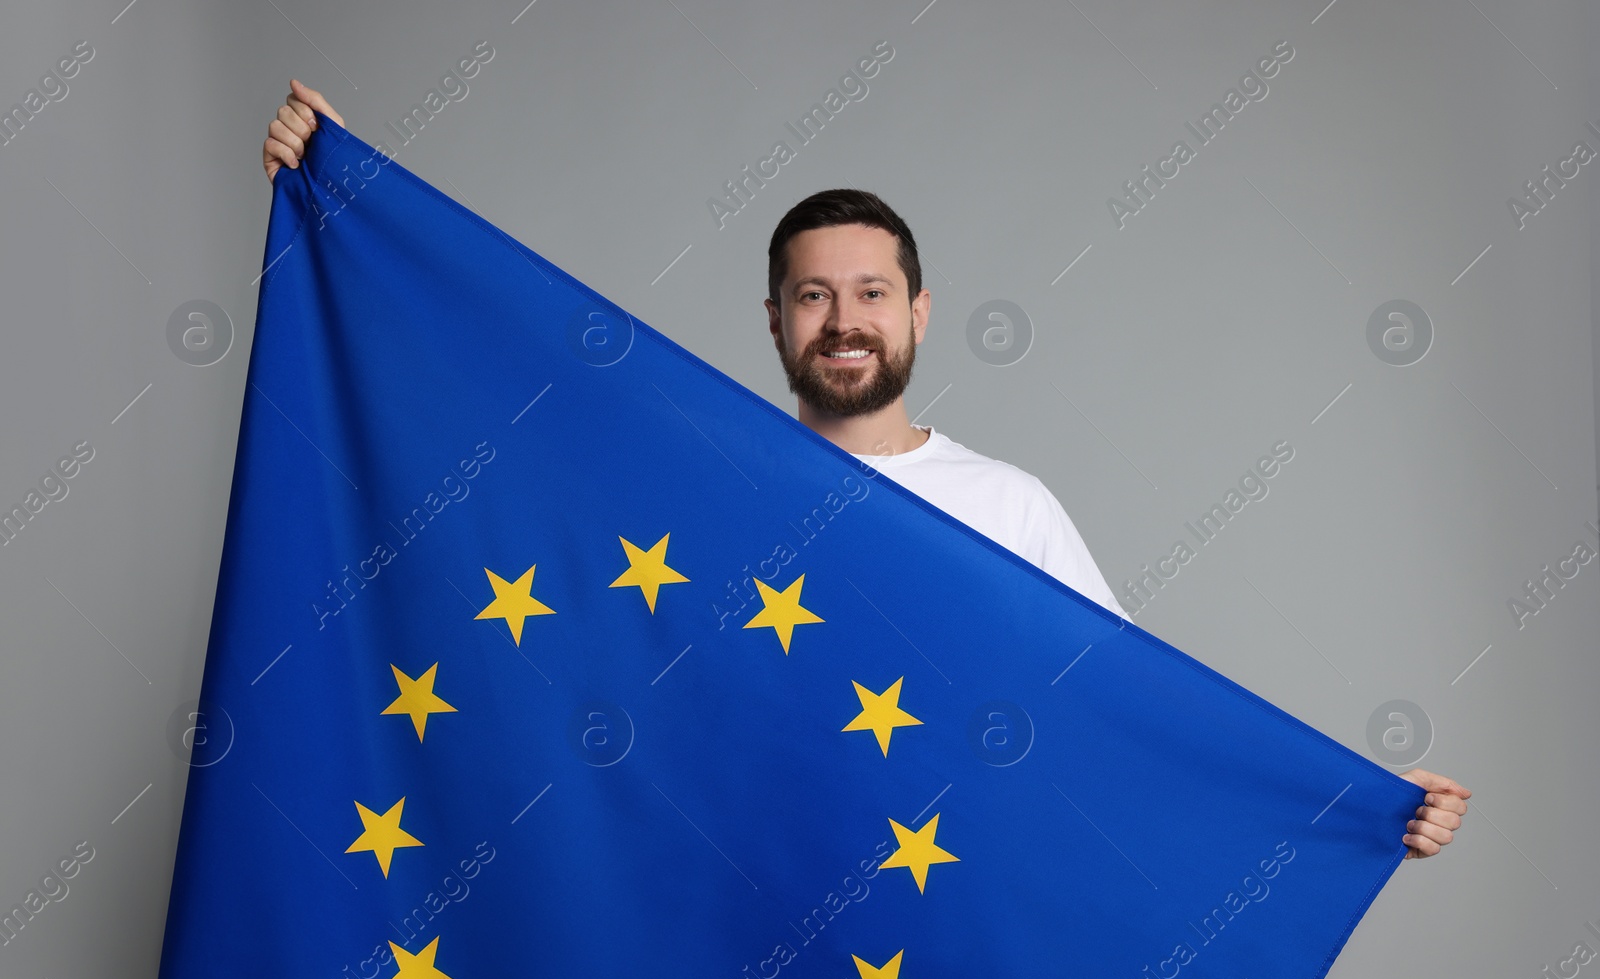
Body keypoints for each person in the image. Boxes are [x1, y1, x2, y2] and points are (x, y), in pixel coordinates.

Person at [261, 80, 1469, 861]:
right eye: (814, 296)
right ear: (776, 320)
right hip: (724, 907)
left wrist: (1346, 800)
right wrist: (341, 205)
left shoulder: (1009, 507)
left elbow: (1132, 728)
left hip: (926, 940)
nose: (845, 320)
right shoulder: (697, 492)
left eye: (872, 294)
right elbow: (493, 442)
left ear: (921, 314)